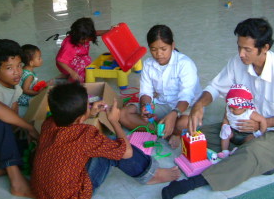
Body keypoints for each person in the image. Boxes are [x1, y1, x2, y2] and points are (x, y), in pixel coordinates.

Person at [161, 18, 274, 198]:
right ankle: (261, 159)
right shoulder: (238, 62)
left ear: (265, 48)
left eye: (247, 49)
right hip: (242, 127)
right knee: (198, 136)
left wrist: (263, 123)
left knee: (253, 151)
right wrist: (199, 105)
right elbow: (215, 87)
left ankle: (195, 182)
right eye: (239, 47)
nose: (241, 54)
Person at [31, 82, 181, 198]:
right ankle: (151, 175)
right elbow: (126, 152)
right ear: (79, 118)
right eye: (87, 106)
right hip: (74, 195)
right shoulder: (85, 134)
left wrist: (89, 113)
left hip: (43, 192)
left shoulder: (49, 123)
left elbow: (71, 123)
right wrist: (114, 121)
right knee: (115, 146)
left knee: (99, 147)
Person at [119, 25, 202, 148]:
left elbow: (187, 96)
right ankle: (164, 130)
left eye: (164, 49)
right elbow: (145, 92)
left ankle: (170, 130)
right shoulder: (148, 65)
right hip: (162, 103)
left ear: (172, 46)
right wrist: (145, 108)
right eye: (153, 49)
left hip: (185, 106)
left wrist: (174, 114)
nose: (159, 54)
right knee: (123, 114)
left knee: (184, 123)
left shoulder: (185, 64)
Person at [0, 39, 39, 198]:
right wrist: (28, 127)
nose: (17, 72)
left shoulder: (14, 86)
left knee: (33, 149)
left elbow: (14, 116)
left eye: (19, 66)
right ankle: (16, 180)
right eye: (9, 68)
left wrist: (26, 132)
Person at [218, 84, 267, 159]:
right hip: (233, 131)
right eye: (230, 107)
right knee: (225, 134)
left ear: (244, 108)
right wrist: (225, 126)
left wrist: (259, 133)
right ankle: (225, 151)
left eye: (234, 108)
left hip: (246, 134)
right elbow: (226, 118)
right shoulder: (228, 109)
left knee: (250, 141)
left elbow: (263, 120)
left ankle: (238, 151)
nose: (231, 110)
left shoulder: (250, 113)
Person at [56, 17, 105, 83]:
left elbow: (96, 33)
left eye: (88, 38)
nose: (87, 40)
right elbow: (60, 61)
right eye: (85, 39)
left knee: (86, 60)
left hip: (74, 60)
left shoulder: (83, 36)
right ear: (77, 37)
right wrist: (72, 72)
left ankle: (68, 74)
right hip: (65, 65)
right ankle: (72, 82)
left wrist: (109, 31)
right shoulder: (69, 46)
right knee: (85, 63)